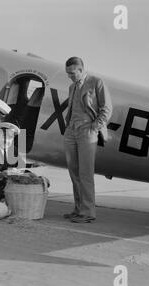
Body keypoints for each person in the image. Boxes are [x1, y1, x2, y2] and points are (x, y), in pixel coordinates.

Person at [63, 57, 113, 223]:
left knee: (85, 172)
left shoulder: (96, 82)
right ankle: (78, 209)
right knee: (74, 171)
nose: (70, 76)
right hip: (71, 131)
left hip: (87, 131)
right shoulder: (72, 87)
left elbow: (106, 109)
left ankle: (88, 212)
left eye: (72, 73)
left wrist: (95, 126)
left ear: (81, 70)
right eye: (68, 74)